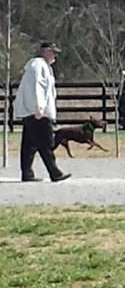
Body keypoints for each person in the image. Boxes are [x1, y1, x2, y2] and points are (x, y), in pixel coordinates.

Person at [12, 40, 71, 184]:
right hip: (38, 112)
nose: (55, 56)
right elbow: (36, 87)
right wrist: (38, 108)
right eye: (53, 53)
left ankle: (27, 173)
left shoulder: (41, 66)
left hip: (33, 111)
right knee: (46, 143)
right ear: (45, 51)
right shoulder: (37, 65)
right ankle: (54, 173)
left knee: (29, 145)